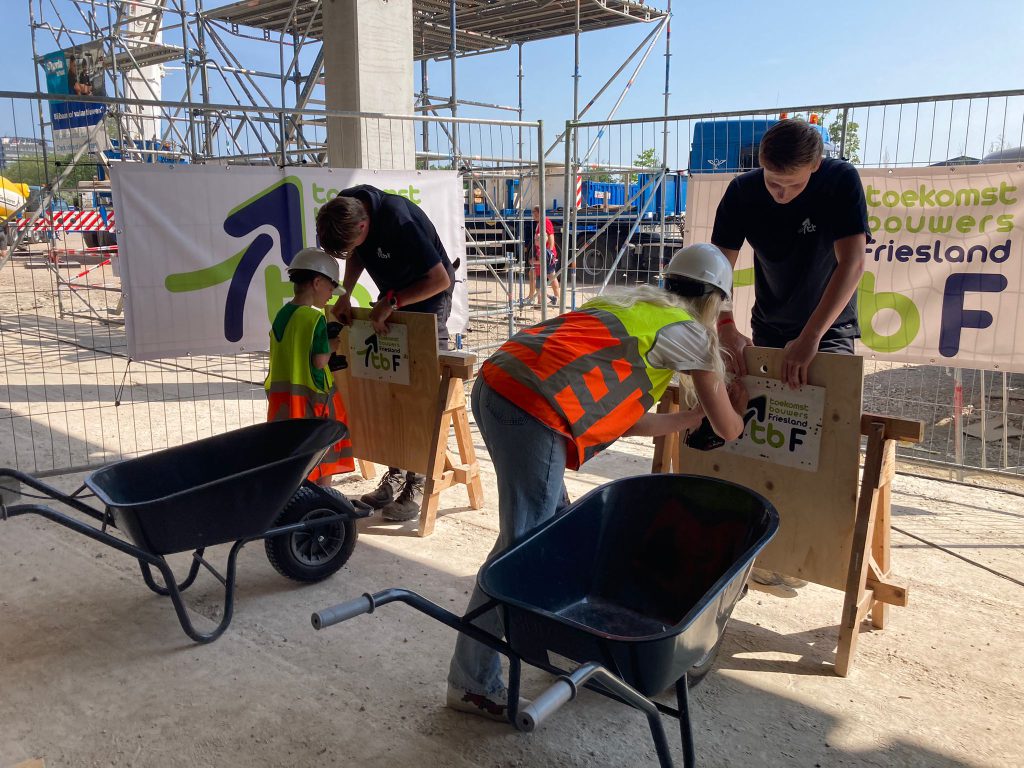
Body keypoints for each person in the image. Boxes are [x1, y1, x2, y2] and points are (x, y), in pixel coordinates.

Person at [445, 243, 748, 721]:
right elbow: (729, 428)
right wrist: (737, 411)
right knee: (521, 552)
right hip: (532, 409)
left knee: (558, 530)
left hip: (499, 385)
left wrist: (686, 417)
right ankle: (473, 684)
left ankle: (558, 640)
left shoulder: (626, 306)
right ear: (715, 301)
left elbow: (620, 417)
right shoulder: (691, 334)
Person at [711, 117, 869, 592]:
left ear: (816, 166)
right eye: (772, 181)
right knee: (768, 435)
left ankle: (822, 552)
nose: (780, 193)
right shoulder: (742, 191)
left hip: (829, 329)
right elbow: (716, 266)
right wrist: (725, 327)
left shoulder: (840, 181)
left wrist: (812, 336)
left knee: (827, 442)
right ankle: (772, 548)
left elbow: (853, 263)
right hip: (771, 323)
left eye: (792, 184)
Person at [316, 185, 456, 522]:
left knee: (421, 389)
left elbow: (440, 280)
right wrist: (345, 294)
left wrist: (393, 302)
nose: (353, 250)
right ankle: (396, 471)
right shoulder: (348, 205)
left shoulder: (398, 218)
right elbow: (358, 254)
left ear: (364, 227)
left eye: (354, 242)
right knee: (391, 385)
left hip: (428, 297)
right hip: (393, 297)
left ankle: (420, 478)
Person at [265, 247, 355, 485]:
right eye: (330, 288)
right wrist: (333, 344)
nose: (331, 295)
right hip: (313, 402)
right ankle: (325, 507)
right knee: (322, 457)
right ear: (317, 282)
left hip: (284, 403)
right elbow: (319, 360)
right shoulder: (314, 318)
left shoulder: (283, 314)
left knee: (294, 460)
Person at [526, 205, 560, 307]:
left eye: (534, 212)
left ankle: (554, 297)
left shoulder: (545, 222)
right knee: (536, 274)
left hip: (545, 254)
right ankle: (535, 298)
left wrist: (549, 253)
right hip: (541, 253)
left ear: (538, 213)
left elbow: (551, 237)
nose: (533, 215)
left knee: (549, 276)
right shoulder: (540, 223)